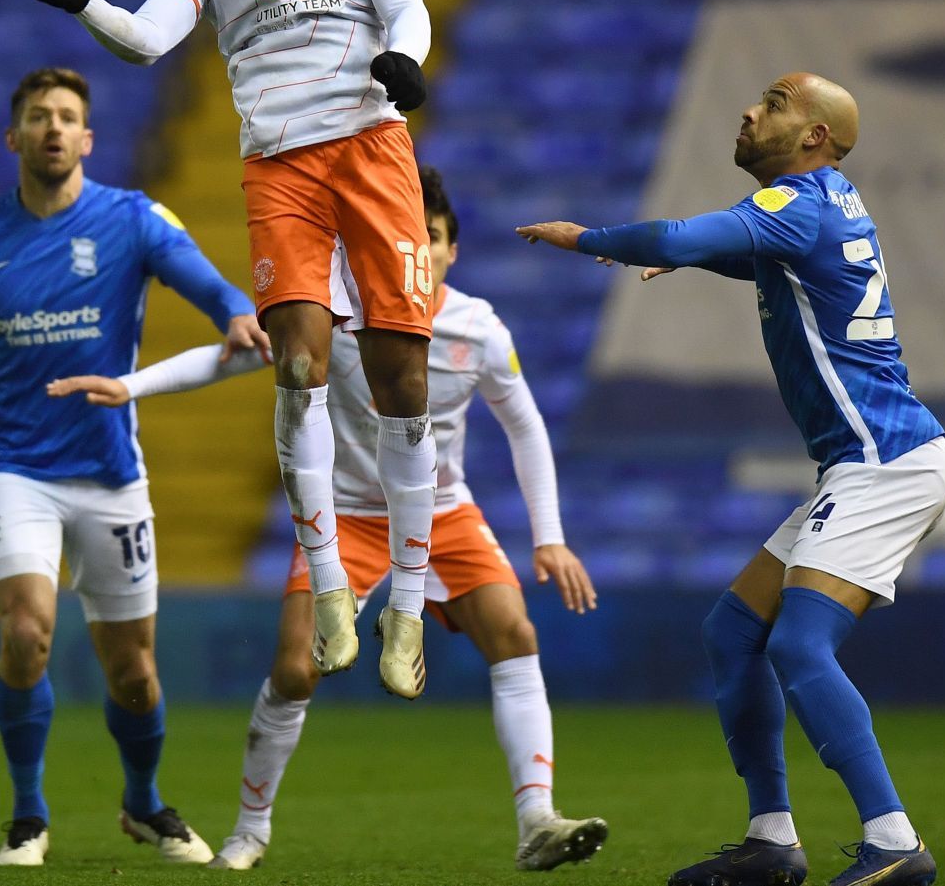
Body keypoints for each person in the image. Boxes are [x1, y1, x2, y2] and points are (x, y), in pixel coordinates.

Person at [49, 166, 610, 872]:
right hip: (345, 514)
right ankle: (250, 830)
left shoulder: (479, 329)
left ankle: (536, 818)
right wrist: (129, 385)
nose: (422, 250)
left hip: (442, 509)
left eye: (433, 238)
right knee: (294, 670)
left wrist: (550, 538)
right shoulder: (337, 309)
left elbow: (525, 427)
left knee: (514, 633)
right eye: (413, 236)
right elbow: (234, 354)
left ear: (449, 250)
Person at [26, 0, 440, 700]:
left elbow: (407, 8)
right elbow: (146, 38)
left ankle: (406, 605)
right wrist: (84, 0)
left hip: (372, 147)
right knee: (297, 361)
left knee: (403, 376)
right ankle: (332, 587)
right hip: (279, 166)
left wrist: (404, 58)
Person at [517, 73, 945, 886]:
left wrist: (590, 237)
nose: (751, 110)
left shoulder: (798, 204)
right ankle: (772, 839)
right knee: (733, 632)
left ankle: (895, 842)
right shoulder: (832, 202)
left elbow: (680, 236)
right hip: (870, 460)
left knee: (798, 641)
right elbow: (779, 266)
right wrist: (707, 261)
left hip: (885, 460)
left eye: (777, 103)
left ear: (815, 135)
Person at [0, 67, 270, 868]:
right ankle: (27, 813)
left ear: (88, 138)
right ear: (13, 137)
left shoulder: (131, 219)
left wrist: (235, 312)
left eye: (68, 117)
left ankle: (144, 801)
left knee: (135, 673)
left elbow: (205, 279)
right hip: (12, 464)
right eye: (39, 116)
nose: (54, 127)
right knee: (26, 631)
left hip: (109, 469)